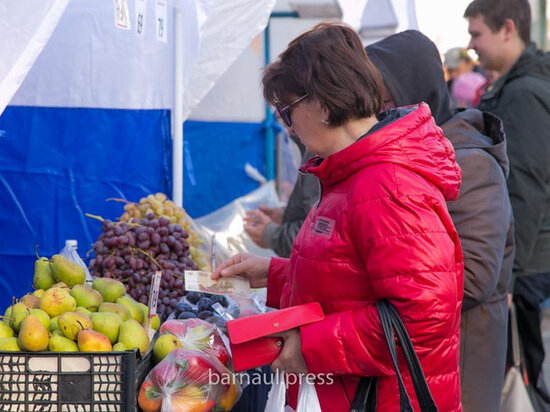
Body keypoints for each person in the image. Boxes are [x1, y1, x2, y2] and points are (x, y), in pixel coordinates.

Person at [213, 22, 463, 411]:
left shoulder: (388, 186)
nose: (287, 124)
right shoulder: (350, 174)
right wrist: (277, 273)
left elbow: (422, 318)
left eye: (288, 109)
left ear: (324, 105)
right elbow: (346, 279)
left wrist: (310, 346)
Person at [366, 29, 514, 412]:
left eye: (383, 98)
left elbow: (477, 275)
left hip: (461, 363)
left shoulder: (471, 162)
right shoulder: (413, 156)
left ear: (413, 89)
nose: (376, 110)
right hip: (424, 361)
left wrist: (375, 287)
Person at [464, 0, 550, 407]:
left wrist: (509, 275)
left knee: (523, 380)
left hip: (526, 264)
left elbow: (526, 188)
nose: (471, 44)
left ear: (508, 29)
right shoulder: (513, 87)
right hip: (522, 259)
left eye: (476, 33)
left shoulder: (525, 93)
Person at [244, 136, 319, 258]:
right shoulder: (315, 149)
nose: (279, 116)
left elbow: (319, 236)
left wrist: (271, 234)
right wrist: (286, 216)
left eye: (288, 115)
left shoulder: (321, 153)